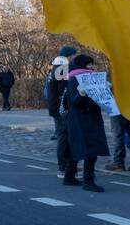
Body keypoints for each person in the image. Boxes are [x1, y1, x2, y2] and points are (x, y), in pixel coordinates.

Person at [61, 53, 109, 192]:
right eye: (89, 64)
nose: (92, 67)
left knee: (75, 149)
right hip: (81, 120)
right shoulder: (74, 79)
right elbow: (74, 101)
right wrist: (81, 93)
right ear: (82, 65)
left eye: (92, 64)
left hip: (88, 118)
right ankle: (88, 181)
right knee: (90, 151)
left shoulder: (89, 77)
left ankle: (69, 177)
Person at [46, 46, 75, 177]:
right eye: (74, 55)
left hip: (56, 107)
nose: (75, 57)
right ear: (69, 55)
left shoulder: (56, 66)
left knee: (63, 137)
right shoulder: (62, 68)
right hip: (60, 109)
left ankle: (66, 166)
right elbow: (63, 91)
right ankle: (63, 168)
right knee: (63, 137)